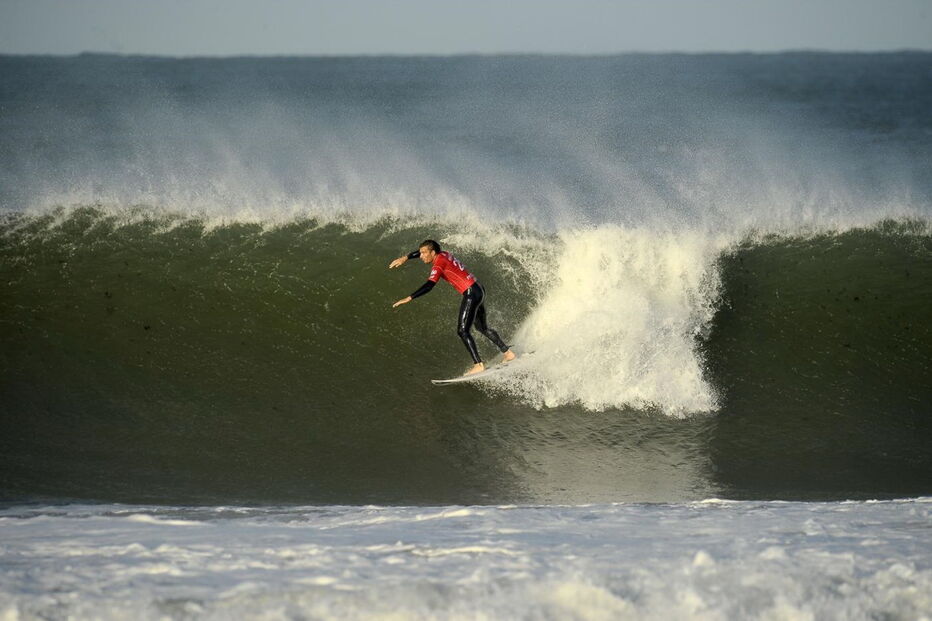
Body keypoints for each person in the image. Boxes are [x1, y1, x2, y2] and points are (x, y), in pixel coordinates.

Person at [390, 239, 516, 375]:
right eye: (420, 253)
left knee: (462, 331)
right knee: (481, 327)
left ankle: (478, 364)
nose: (421, 256)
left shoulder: (438, 263)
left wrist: (409, 298)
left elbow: (429, 285)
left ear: (433, 252)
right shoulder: (443, 254)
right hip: (478, 288)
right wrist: (406, 257)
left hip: (471, 293)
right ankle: (508, 353)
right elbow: (422, 252)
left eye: (424, 253)